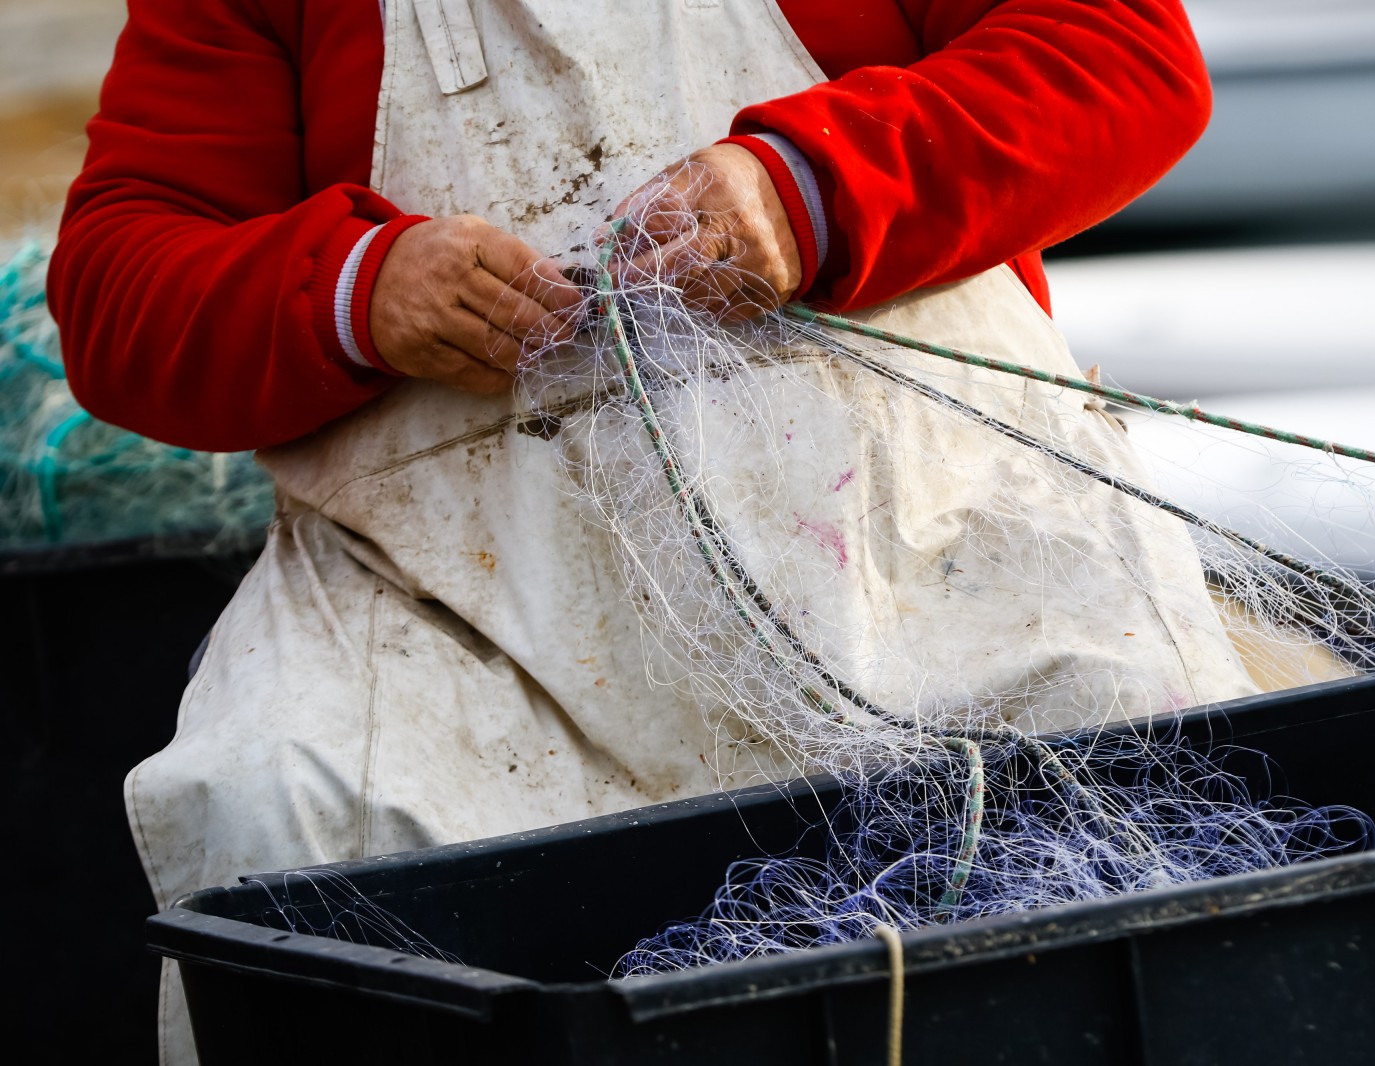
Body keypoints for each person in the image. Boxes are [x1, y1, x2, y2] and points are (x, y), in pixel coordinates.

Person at [51, 2, 1251, 1061]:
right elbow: (118, 282)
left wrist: (805, 189)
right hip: (459, 613)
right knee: (273, 800)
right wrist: (363, 286)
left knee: (1129, 741)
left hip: (934, 539)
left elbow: (1120, 54)